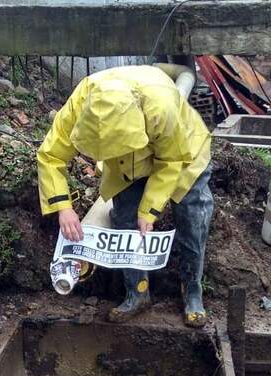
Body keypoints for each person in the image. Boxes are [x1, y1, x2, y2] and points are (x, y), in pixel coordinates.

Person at [37, 64, 213, 327]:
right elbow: (50, 155)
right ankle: (137, 293)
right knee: (126, 221)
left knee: (191, 217)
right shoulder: (82, 100)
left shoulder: (160, 106)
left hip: (183, 156)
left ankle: (192, 291)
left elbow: (170, 161)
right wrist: (63, 206)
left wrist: (150, 210)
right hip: (125, 166)